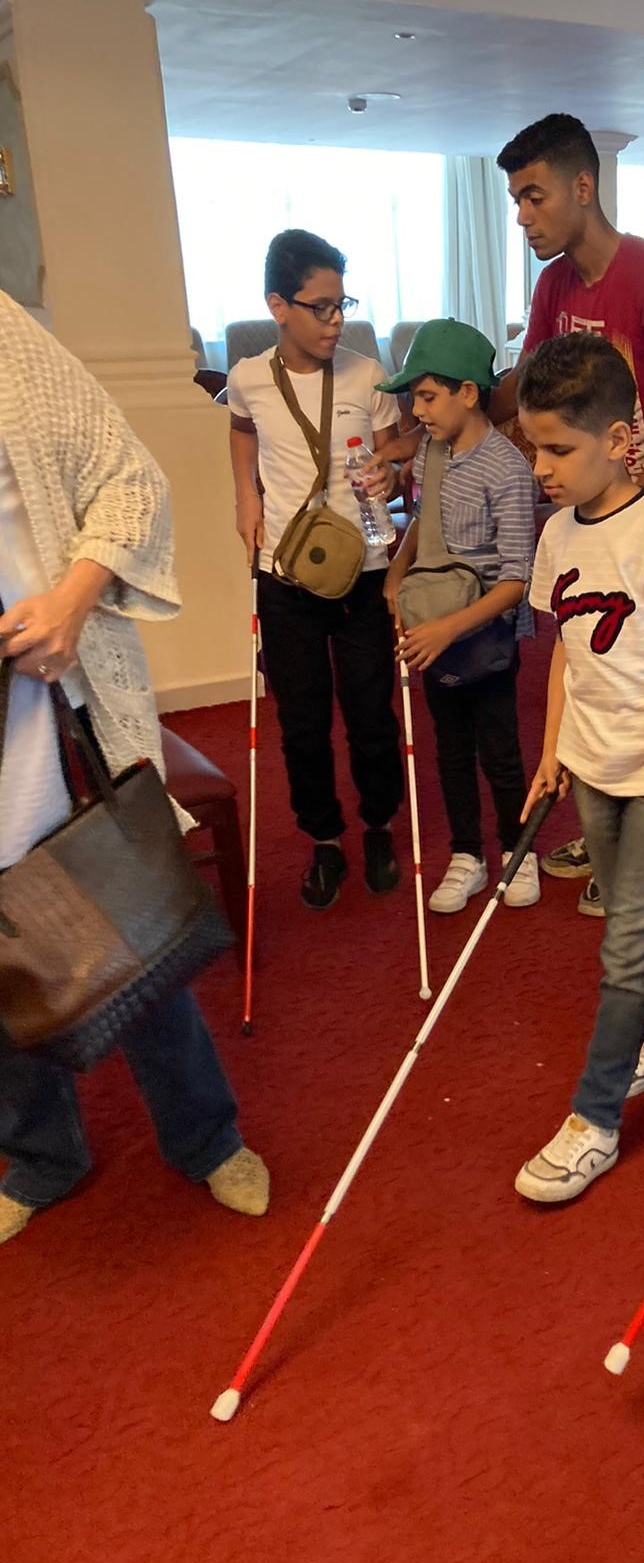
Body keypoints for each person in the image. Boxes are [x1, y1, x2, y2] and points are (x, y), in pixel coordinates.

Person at [0, 288, 268, 1247]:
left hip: (53, 700)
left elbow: (126, 478)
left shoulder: (4, 336)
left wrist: (74, 597)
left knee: (130, 932)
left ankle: (206, 1136)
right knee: (1, 971)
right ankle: (42, 1158)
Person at [512, 333, 644, 1204]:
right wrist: (553, 752)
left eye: (559, 448)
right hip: (592, 766)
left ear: (618, 437)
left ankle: (593, 1119)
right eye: (533, 447)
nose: (542, 468)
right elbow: (564, 649)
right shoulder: (560, 533)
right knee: (623, 929)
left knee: (628, 945)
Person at [493, 113, 644, 916]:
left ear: (583, 187)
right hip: (592, 517)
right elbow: (527, 390)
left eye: (533, 196)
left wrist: (629, 510)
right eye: (517, 201)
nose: (524, 216)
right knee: (589, 666)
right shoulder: (552, 286)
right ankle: (605, 820)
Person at [227, 229, 405, 910]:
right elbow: (241, 430)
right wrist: (245, 494)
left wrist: (392, 468)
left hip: (362, 567)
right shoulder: (248, 379)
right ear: (278, 305)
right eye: (321, 307)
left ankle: (380, 823)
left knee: (370, 712)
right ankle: (325, 839)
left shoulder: (367, 374)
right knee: (300, 719)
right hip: (286, 574)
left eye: (343, 305)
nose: (336, 321)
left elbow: (396, 449)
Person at [379, 319, 539, 913]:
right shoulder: (430, 453)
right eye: (412, 398)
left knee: (497, 746)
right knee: (449, 746)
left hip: (484, 631)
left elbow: (516, 580)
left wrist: (448, 627)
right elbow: (425, 523)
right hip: (433, 622)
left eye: (426, 396)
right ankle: (466, 854)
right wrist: (397, 575)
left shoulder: (507, 469)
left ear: (468, 392)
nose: (416, 410)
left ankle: (518, 851)